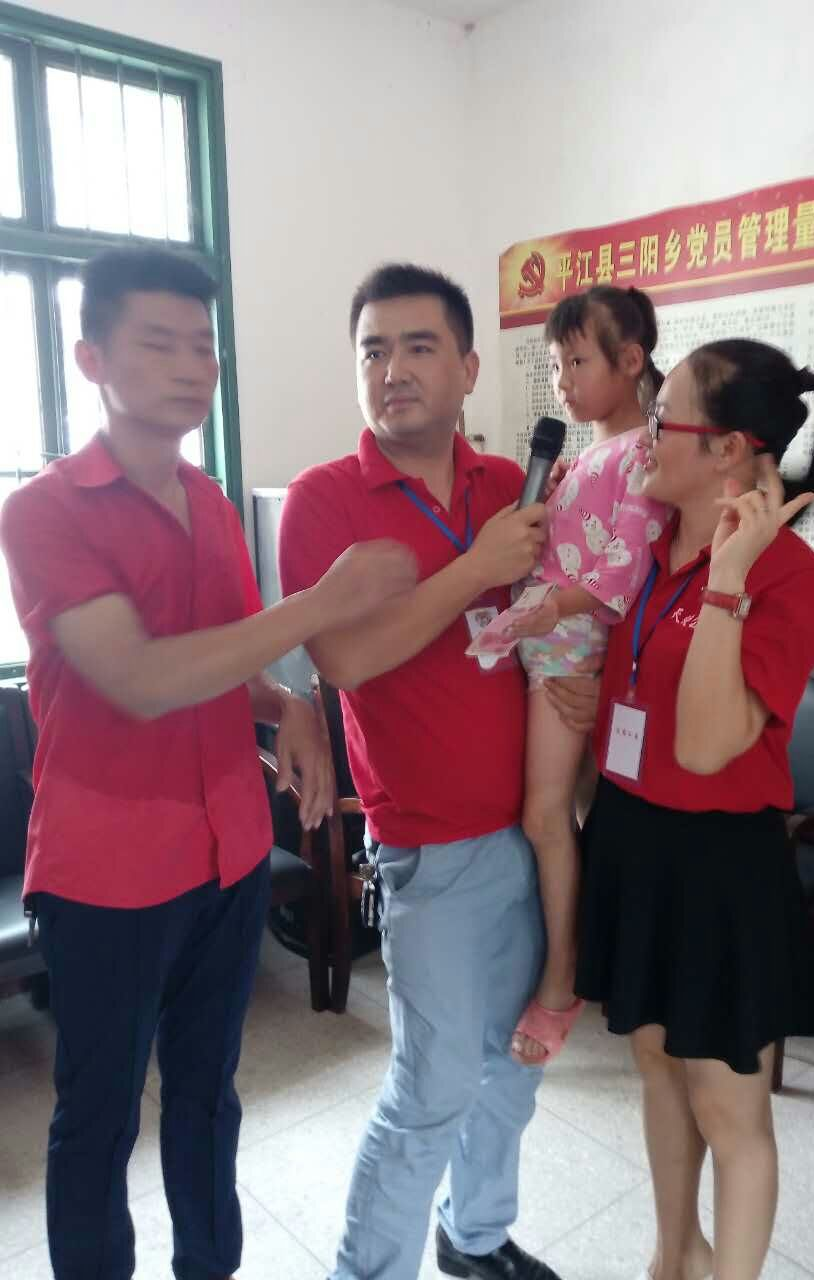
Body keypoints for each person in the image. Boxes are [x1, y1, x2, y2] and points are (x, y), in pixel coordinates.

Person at [0, 247, 414, 1280]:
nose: (192, 366)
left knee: (206, 1094)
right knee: (98, 1116)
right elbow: (140, 677)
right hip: (107, 872)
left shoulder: (212, 501)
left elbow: (226, 664)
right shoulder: (43, 511)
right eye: (160, 343)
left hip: (228, 852)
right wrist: (320, 605)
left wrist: (290, 705)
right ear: (92, 357)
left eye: (204, 346)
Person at [278, 262, 598, 1280]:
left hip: (537, 831)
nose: (394, 370)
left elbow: (565, 610)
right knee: (431, 1090)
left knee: (513, 1069)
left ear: (467, 368)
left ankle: (476, 1236)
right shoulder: (325, 501)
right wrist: (473, 569)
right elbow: (344, 659)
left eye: (419, 347)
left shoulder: (512, 487)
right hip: (433, 851)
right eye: (373, 350)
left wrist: (584, 688)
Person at [574, 339, 814, 1280]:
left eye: (663, 417)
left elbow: (703, 745)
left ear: (728, 449)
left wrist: (728, 578)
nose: (644, 432)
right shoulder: (650, 549)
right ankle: (673, 1256)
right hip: (633, 838)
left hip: (721, 860)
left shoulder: (795, 581)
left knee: (728, 1104)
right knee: (656, 1064)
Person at [506, 286, 671, 1067]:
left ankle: (560, 979)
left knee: (545, 816)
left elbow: (621, 576)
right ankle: (583, 956)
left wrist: (549, 607)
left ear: (630, 361)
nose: (562, 382)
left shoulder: (641, 453)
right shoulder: (595, 455)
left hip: (568, 652)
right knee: (568, 813)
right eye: (555, 366)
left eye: (577, 363)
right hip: (547, 643)